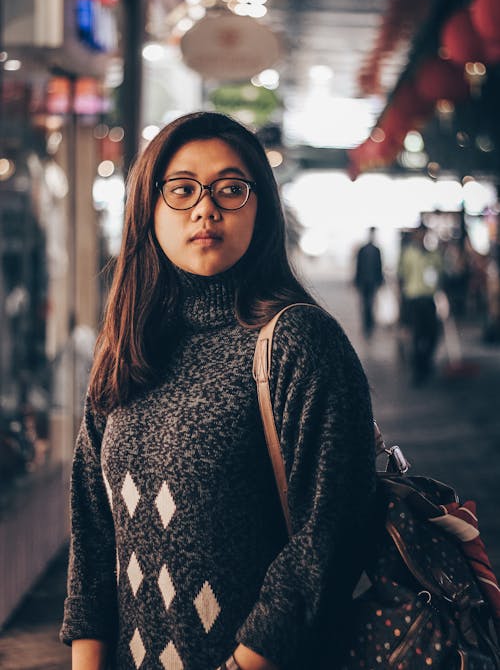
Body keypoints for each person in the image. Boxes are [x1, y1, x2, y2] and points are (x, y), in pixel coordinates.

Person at [60, 112, 376, 670]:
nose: (206, 207)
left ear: (262, 209)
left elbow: (328, 537)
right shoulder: (127, 346)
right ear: (148, 208)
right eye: (182, 190)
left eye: (232, 189)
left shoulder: (298, 342)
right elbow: (92, 538)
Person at [398, 224, 443, 385]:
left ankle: (425, 361)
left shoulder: (434, 255)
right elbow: (401, 277)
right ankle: (418, 370)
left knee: (432, 334)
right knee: (417, 336)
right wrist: (401, 305)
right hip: (414, 300)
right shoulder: (409, 254)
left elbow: (440, 275)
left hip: (429, 300)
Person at [354, 227, 384, 337]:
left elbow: (379, 266)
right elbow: (358, 266)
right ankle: (367, 325)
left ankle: (369, 325)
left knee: (369, 304)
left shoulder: (375, 250)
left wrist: (380, 280)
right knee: (366, 304)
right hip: (365, 281)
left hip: (370, 282)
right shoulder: (367, 250)